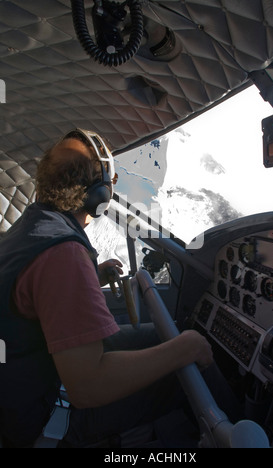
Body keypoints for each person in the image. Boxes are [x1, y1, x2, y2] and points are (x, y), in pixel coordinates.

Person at [0, 129, 214, 448]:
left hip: (22, 383)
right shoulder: (62, 252)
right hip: (37, 420)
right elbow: (88, 388)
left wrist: (90, 277)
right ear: (99, 195)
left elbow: (35, 293)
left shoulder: (32, 225)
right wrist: (186, 348)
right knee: (183, 368)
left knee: (159, 337)